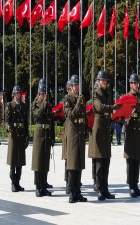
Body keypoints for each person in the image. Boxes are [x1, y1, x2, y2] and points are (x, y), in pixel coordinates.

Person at [89, 70, 122, 201]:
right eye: (103, 80)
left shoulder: (108, 93)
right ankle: (99, 188)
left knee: (106, 159)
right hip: (98, 127)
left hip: (106, 127)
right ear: (98, 81)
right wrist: (113, 107)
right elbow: (99, 107)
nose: (105, 82)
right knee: (99, 160)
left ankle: (105, 188)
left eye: (106, 80)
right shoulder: (96, 94)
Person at [63, 75, 87, 203]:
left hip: (80, 133)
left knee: (79, 164)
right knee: (72, 165)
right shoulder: (67, 99)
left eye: (78, 85)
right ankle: (72, 192)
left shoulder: (80, 98)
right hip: (72, 134)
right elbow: (71, 115)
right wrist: (78, 103)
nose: (77, 87)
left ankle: (78, 192)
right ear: (71, 87)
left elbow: (83, 115)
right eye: (75, 85)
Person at [123, 73, 140, 198]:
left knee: (137, 159)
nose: (135, 85)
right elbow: (122, 112)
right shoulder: (126, 97)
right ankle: (131, 186)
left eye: (137, 83)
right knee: (130, 160)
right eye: (133, 83)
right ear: (130, 84)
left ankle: (136, 185)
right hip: (130, 130)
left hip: (138, 132)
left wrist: (139, 107)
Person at [31, 82, 55, 197]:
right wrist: (44, 104)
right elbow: (37, 115)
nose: (44, 96)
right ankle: (38, 186)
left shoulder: (48, 104)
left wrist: (52, 136)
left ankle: (44, 186)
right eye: (42, 94)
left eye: (45, 94)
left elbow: (51, 120)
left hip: (47, 133)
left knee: (45, 161)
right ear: (39, 94)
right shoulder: (35, 104)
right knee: (38, 161)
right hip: (39, 133)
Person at [5, 85, 29, 192]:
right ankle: (13, 183)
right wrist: (8, 128)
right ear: (14, 94)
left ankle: (18, 182)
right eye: (17, 93)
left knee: (20, 161)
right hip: (14, 135)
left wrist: (27, 136)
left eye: (20, 93)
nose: (19, 94)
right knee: (13, 161)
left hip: (21, 135)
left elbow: (26, 122)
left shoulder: (23, 106)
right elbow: (6, 121)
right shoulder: (10, 105)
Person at [87, 80, 99, 191]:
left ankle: (99, 180)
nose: (96, 91)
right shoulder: (89, 103)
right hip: (92, 132)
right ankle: (95, 179)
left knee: (99, 158)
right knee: (94, 158)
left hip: (99, 132)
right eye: (95, 89)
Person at [62, 79, 72, 194]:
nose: (70, 90)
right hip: (68, 131)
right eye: (69, 89)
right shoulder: (66, 99)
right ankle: (67, 182)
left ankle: (73, 181)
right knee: (68, 159)